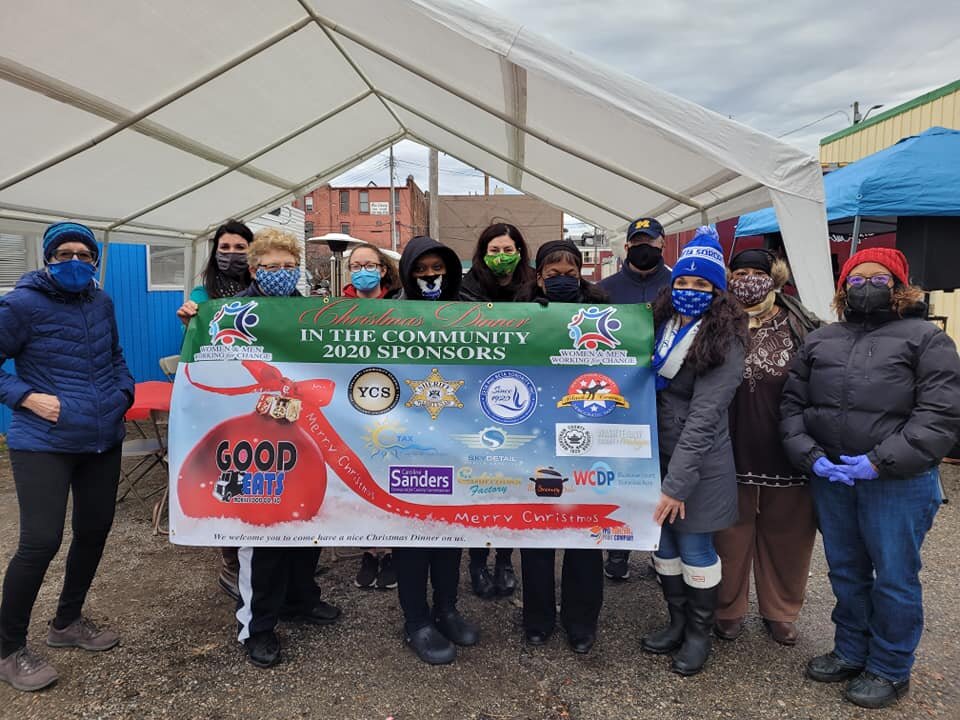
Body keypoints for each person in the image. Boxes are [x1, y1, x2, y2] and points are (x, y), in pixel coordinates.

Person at [780, 247, 960, 709]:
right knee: (845, 570)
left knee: (895, 577)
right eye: (857, 280)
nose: (866, 287)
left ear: (900, 287)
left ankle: (890, 667)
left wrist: (880, 461)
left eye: (878, 280)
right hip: (835, 477)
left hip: (896, 480)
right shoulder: (821, 339)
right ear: (843, 289)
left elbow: (939, 415)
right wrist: (810, 455)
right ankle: (851, 650)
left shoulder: (926, 339)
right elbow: (792, 406)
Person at [179, 228, 341, 669]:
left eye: (290, 267)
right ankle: (258, 625)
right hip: (254, 435)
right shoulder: (230, 313)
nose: (281, 274)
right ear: (255, 270)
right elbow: (209, 368)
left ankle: (302, 599)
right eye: (271, 267)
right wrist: (195, 320)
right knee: (264, 535)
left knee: (308, 523)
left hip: (300, 433)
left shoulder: (308, 311)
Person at [0, 222, 134, 692]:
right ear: (48, 258)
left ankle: (67, 622)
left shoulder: (102, 301)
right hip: (42, 441)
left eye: (83, 253)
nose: (74, 261)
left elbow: (115, 355)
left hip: (102, 437)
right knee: (40, 541)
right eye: (64, 253)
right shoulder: (20, 304)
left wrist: (124, 392)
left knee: (94, 530)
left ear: (94, 260)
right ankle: (8, 647)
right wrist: (23, 396)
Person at [640, 227, 747, 676]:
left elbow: (705, 417)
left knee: (695, 548)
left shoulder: (725, 340)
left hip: (699, 466)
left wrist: (676, 485)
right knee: (662, 547)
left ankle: (700, 633)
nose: (689, 290)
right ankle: (676, 622)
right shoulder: (659, 325)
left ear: (718, 292)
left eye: (702, 284)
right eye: (683, 282)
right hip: (654, 457)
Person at [713, 249, 822, 647]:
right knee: (728, 535)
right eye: (739, 272)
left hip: (787, 450)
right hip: (729, 448)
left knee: (789, 536)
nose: (747, 280)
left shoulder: (802, 322)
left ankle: (781, 612)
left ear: (773, 277)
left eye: (755, 273)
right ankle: (727, 608)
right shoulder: (718, 320)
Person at [515, 240, 608, 654]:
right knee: (537, 537)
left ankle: (581, 622)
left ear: (582, 274)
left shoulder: (605, 317)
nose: (562, 280)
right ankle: (537, 619)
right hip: (534, 437)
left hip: (587, 436)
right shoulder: (518, 317)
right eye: (552, 274)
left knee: (586, 536)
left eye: (570, 274)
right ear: (538, 277)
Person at [394, 236, 479, 665]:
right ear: (407, 271)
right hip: (404, 446)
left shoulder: (471, 309)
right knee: (411, 537)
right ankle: (416, 621)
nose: (430, 275)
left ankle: (446, 608)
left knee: (451, 532)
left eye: (437, 267)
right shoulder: (386, 313)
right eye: (420, 268)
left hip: (455, 441)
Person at [176, 219, 254, 602]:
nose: (232, 254)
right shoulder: (201, 294)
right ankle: (231, 562)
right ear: (214, 251)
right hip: (218, 400)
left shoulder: (265, 292)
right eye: (225, 248)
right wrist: (189, 322)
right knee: (228, 473)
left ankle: (261, 551)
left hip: (255, 396)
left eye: (241, 248)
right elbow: (195, 348)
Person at [458, 223, 534, 599]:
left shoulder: (535, 285)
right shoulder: (465, 288)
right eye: (494, 249)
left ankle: (504, 557)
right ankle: (477, 561)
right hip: (474, 397)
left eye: (508, 249)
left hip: (523, 396)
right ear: (482, 252)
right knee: (478, 484)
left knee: (514, 483)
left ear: (520, 250)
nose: (501, 256)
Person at [598, 216, 672, 581]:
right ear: (627, 246)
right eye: (638, 241)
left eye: (651, 241)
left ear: (663, 244)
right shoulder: (604, 289)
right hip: (618, 399)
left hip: (667, 399)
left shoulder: (679, 285)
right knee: (620, 472)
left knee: (665, 477)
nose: (645, 247)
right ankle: (618, 548)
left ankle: (662, 550)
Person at [342, 243, 399, 590]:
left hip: (394, 403)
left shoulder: (400, 304)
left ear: (381, 270)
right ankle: (368, 550)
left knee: (389, 473)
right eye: (356, 264)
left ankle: (392, 550)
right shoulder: (333, 308)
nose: (362, 269)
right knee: (358, 479)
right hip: (350, 406)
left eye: (369, 264)